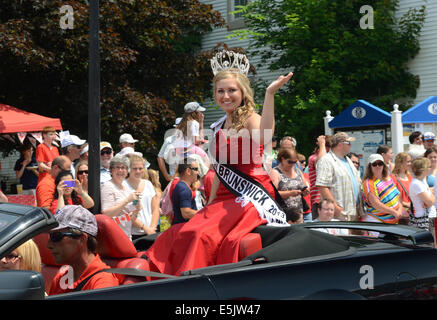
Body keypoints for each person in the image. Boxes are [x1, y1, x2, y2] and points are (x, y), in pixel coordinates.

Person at [145, 50, 293, 276]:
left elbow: (265, 136)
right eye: (220, 91)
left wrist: (270, 94)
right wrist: (210, 203)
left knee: (200, 236)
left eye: (231, 90)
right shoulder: (219, 126)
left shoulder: (251, 118)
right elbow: (218, 171)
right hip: (223, 198)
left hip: (248, 196)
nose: (226, 95)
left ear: (243, 91)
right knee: (180, 232)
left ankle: (191, 285)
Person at [47, 205, 119, 295]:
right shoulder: (62, 278)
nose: (48, 245)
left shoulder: (102, 284)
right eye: (50, 236)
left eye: (56, 236)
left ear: (82, 239)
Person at [316, 132, 362, 221]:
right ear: (340, 144)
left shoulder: (348, 160)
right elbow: (322, 186)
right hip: (340, 214)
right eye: (348, 143)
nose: (350, 145)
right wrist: (335, 207)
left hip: (353, 211)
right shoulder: (326, 160)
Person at [100, 155, 141, 239]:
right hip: (113, 236)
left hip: (126, 235)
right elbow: (106, 214)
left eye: (123, 168)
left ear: (127, 171)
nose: (120, 170)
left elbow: (128, 217)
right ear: (111, 170)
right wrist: (127, 200)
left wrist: (137, 208)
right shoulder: (108, 186)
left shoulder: (126, 188)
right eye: (117, 167)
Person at [124, 154, 159, 239]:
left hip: (151, 232)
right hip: (132, 234)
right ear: (128, 169)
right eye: (135, 169)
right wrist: (145, 228)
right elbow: (128, 213)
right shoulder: (123, 186)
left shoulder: (148, 184)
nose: (138, 171)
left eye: (140, 168)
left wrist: (152, 228)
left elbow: (155, 209)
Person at [270, 148, 308, 224]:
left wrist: (306, 191)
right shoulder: (275, 172)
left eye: (295, 162)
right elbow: (272, 194)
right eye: (290, 162)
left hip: (298, 215)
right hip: (283, 215)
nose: (292, 164)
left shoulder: (297, 170)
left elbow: (305, 186)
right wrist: (290, 193)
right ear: (282, 159)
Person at [361, 154, 403, 224]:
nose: (377, 166)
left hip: (394, 220)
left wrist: (400, 211)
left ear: (383, 165)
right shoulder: (368, 183)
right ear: (369, 167)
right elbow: (376, 204)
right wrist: (394, 212)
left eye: (380, 163)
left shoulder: (389, 178)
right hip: (378, 222)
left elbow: (398, 196)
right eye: (374, 164)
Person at [308, 135, 332, 219]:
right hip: (318, 201)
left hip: (331, 200)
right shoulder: (313, 158)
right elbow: (321, 163)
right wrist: (322, 144)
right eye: (329, 146)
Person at [409, 157, 436, 231]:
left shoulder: (422, 181)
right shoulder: (416, 184)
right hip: (425, 220)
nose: (430, 168)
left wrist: (430, 195)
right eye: (429, 166)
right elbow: (430, 201)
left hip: (429, 217)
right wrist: (433, 192)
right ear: (423, 169)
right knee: (430, 242)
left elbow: (429, 201)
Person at [171, 158, 199, 225]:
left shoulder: (181, 186)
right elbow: (186, 213)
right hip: (183, 229)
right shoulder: (184, 189)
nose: (198, 172)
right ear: (188, 171)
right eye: (196, 169)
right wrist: (204, 212)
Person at [391, 152, 413, 224]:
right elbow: (392, 197)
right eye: (408, 162)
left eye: (410, 161)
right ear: (400, 163)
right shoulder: (393, 178)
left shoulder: (410, 177)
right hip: (401, 213)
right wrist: (405, 204)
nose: (410, 163)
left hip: (411, 212)